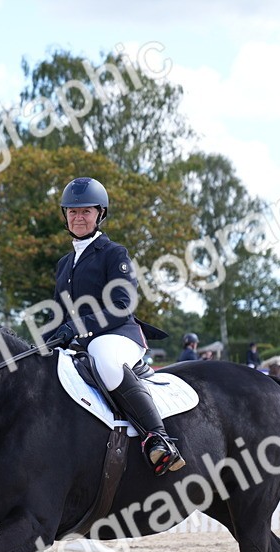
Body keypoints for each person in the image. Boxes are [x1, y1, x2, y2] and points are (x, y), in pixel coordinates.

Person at [44, 176, 183, 475]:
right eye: (73, 211)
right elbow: (58, 314)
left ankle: (159, 439)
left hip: (118, 335)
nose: (78, 217)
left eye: (86, 211)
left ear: (100, 214)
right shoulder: (64, 264)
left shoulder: (113, 253)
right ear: (65, 215)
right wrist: (42, 342)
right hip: (81, 339)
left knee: (105, 360)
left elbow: (122, 305)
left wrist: (78, 327)